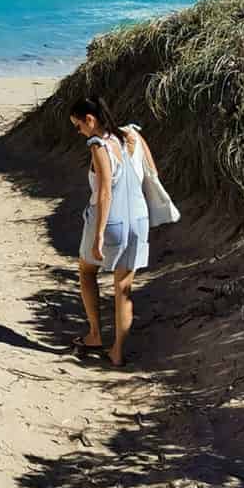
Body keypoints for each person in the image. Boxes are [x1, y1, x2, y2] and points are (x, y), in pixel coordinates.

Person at [67, 95, 156, 366]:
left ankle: (95, 335)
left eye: (78, 125)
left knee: (86, 270)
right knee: (124, 287)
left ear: (90, 120)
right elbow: (151, 173)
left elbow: (105, 193)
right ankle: (118, 351)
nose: (78, 130)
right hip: (139, 220)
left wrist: (99, 235)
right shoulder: (131, 136)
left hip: (112, 221)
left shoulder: (98, 145)